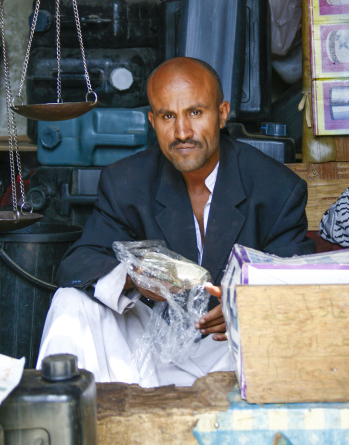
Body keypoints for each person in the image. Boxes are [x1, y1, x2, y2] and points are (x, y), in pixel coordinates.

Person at [37, 56, 314, 386]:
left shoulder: (277, 188)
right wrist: (133, 278)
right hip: (150, 349)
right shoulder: (125, 181)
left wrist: (249, 308)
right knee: (70, 302)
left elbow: (300, 282)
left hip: (232, 351)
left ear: (222, 114)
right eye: (168, 116)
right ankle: (66, 422)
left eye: (195, 113)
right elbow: (78, 263)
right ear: (153, 122)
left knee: (278, 325)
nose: (182, 132)